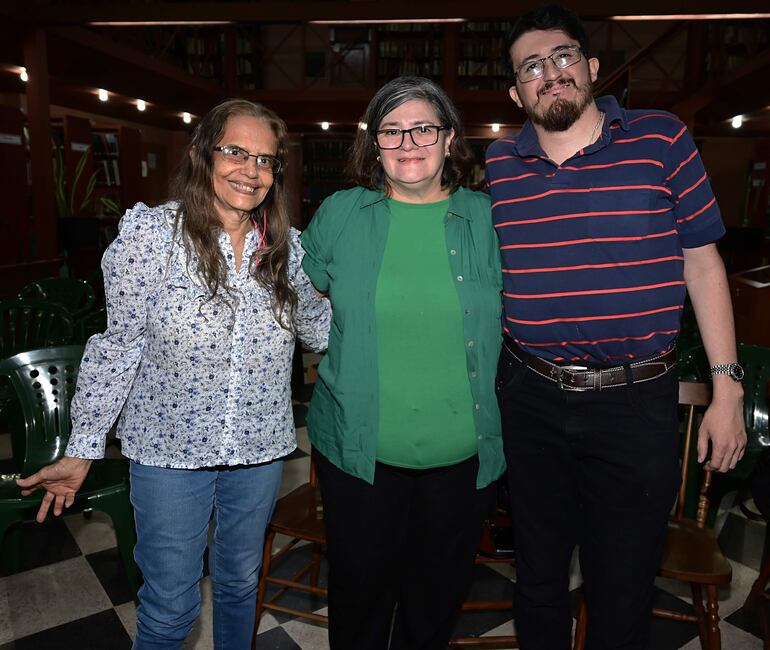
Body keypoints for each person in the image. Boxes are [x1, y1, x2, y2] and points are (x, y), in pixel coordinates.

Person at [17, 99, 331, 649]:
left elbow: (320, 331)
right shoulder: (150, 238)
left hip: (257, 451)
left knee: (238, 585)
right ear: (201, 155)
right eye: (236, 152)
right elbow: (118, 347)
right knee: (169, 610)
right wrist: (83, 446)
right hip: (169, 454)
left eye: (265, 159)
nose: (251, 170)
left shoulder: (285, 247)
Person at [486, 5, 747, 649]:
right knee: (539, 581)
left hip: (636, 403)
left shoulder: (660, 138)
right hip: (531, 396)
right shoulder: (498, 167)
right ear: (516, 92)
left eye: (564, 56)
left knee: (623, 588)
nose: (550, 73)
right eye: (531, 67)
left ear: (592, 67)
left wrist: (728, 388)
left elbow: (703, 262)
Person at [300, 75, 505, 650]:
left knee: (434, 604)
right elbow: (293, 293)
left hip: (463, 461)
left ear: (448, 139)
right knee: (359, 601)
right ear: (374, 144)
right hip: (358, 457)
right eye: (391, 130)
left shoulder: (490, 220)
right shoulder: (341, 213)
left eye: (423, 128)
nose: (407, 141)